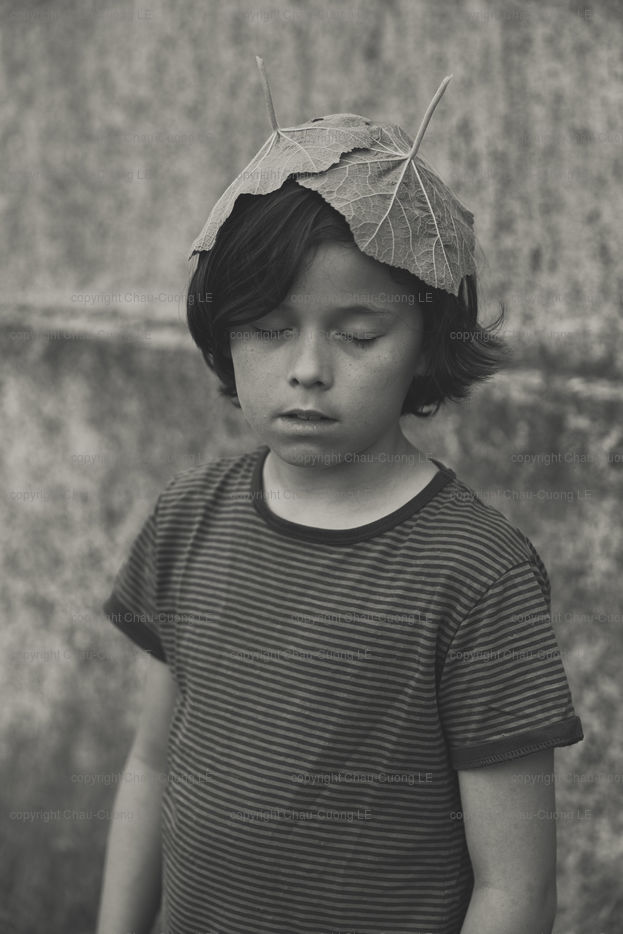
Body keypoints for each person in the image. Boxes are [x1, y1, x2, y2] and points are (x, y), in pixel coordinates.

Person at [96, 110, 583, 933]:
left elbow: (515, 888)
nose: (308, 369)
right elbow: (150, 766)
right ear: (223, 333)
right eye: (269, 328)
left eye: (358, 335)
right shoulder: (189, 518)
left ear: (424, 344)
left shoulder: (476, 575)